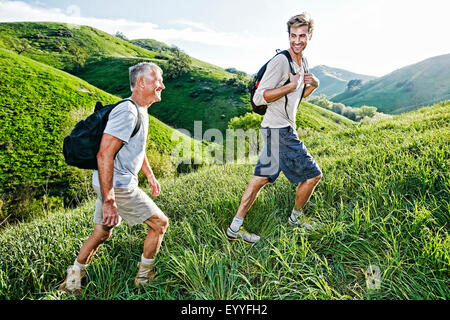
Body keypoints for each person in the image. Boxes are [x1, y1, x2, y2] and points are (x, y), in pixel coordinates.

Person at [59, 62, 169, 295]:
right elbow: (105, 153)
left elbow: (136, 147)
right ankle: (144, 278)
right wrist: (110, 200)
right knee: (160, 224)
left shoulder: (141, 110)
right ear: (141, 82)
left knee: (102, 232)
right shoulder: (127, 112)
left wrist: (149, 174)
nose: (162, 85)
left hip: (107, 182)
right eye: (158, 80)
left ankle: (72, 283)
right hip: (117, 186)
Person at [226, 12, 322, 244]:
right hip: (280, 131)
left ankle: (234, 228)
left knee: (259, 180)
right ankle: (295, 219)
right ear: (288, 36)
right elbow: (260, 98)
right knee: (313, 176)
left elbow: (298, 97)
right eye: (293, 35)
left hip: (276, 129)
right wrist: (289, 86)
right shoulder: (281, 61)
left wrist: (313, 85)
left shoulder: (303, 62)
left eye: (302, 35)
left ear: (310, 35)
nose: (297, 40)